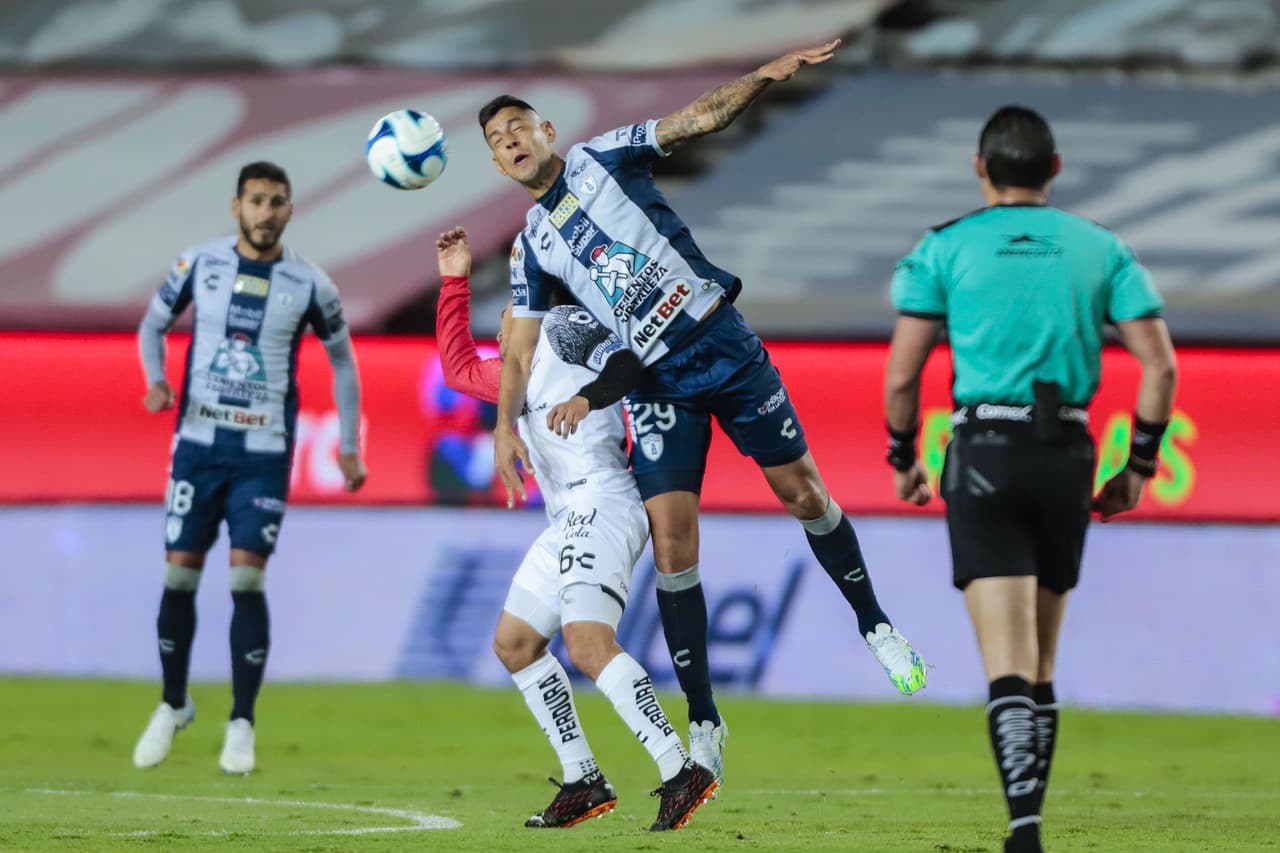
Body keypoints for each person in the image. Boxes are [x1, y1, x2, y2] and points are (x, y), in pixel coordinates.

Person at [479, 39, 928, 782]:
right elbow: (520, 353)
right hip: (656, 379)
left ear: (547, 132)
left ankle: (875, 623)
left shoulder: (603, 159)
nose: (512, 142)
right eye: (498, 142)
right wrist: (503, 425)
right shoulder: (531, 249)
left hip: (722, 341)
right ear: (499, 166)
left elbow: (692, 121)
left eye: (519, 127)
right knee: (673, 543)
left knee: (804, 492)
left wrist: (765, 76)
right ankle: (705, 718)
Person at [883, 106, 1177, 853]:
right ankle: (1027, 823)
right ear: (1055, 169)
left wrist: (903, 456)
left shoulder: (942, 247)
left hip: (983, 447)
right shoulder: (1101, 248)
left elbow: (902, 375)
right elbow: (1160, 366)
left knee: (1006, 662)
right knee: (1041, 660)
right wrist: (1138, 465)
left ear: (980, 168)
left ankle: (1023, 830)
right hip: (1067, 453)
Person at [435, 226, 719, 831]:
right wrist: (453, 279)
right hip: (567, 519)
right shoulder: (518, 373)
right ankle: (583, 778)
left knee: (588, 643)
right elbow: (458, 370)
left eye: (509, 306)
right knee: (514, 643)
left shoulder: (563, 325)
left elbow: (623, 366)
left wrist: (588, 401)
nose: (501, 323)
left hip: (605, 501)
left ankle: (680, 768)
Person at [132, 161, 368, 775]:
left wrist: (348, 445)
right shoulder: (198, 264)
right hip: (197, 447)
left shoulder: (311, 283)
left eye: (278, 202)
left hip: (262, 454)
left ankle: (241, 722)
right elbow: (152, 325)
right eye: (257, 201)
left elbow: (343, 362)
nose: (267, 212)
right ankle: (173, 703)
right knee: (179, 578)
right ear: (235, 205)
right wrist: (156, 381)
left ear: (291, 210)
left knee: (244, 582)